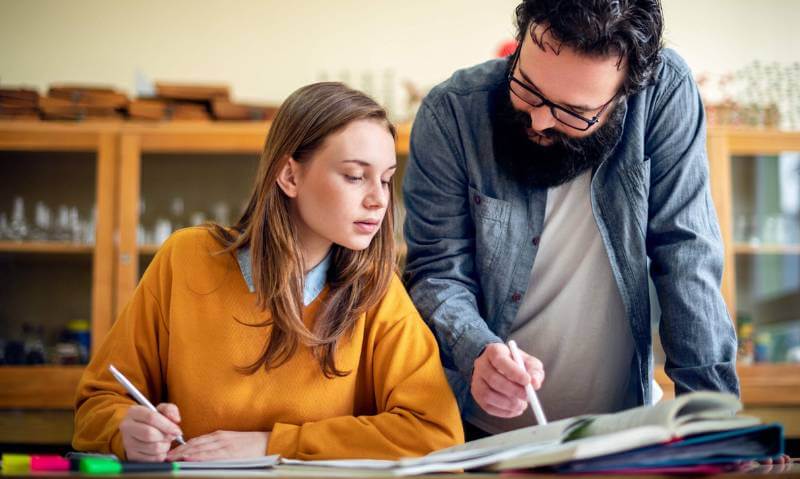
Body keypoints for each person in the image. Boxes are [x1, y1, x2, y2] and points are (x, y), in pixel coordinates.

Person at [73, 82, 464, 461]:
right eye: (355, 176)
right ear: (290, 176)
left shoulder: (376, 290)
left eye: (385, 178)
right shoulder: (186, 258)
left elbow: (436, 434)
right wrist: (125, 429)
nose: (379, 199)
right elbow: (96, 407)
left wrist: (271, 444)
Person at [402, 0, 739, 437]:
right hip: (479, 430)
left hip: (621, 428)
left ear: (625, 93)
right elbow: (436, 271)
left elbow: (687, 255)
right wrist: (477, 350)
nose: (539, 120)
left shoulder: (664, 92)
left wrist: (714, 426)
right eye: (527, 87)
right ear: (520, 41)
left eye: (574, 112)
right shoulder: (452, 113)